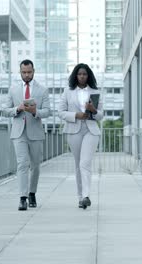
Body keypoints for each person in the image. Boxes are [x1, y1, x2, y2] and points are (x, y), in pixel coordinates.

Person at [3, 59, 50, 210]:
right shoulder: (13, 89)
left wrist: (35, 112)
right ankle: (22, 198)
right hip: (19, 133)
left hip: (35, 132)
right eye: (24, 72)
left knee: (35, 166)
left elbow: (48, 111)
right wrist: (18, 108)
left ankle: (32, 193)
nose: (27, 75)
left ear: (33, 71)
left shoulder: (42, 90)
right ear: (20, 72)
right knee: (22, 164)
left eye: (29, 72)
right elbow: (5, 110)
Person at [58, 63, 103, 209]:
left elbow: (101, 115)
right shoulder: (67, 92)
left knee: (85, 163)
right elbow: (61, 112)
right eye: (79, 74)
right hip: (74, 130)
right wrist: (76, 115)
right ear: (75, 76)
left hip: (91, 130)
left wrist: (93, 110)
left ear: (88, 75)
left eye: (84, 74)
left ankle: (86, 195)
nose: (82, 76)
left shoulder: (95, 92)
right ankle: (80, 197)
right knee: (78, 165)